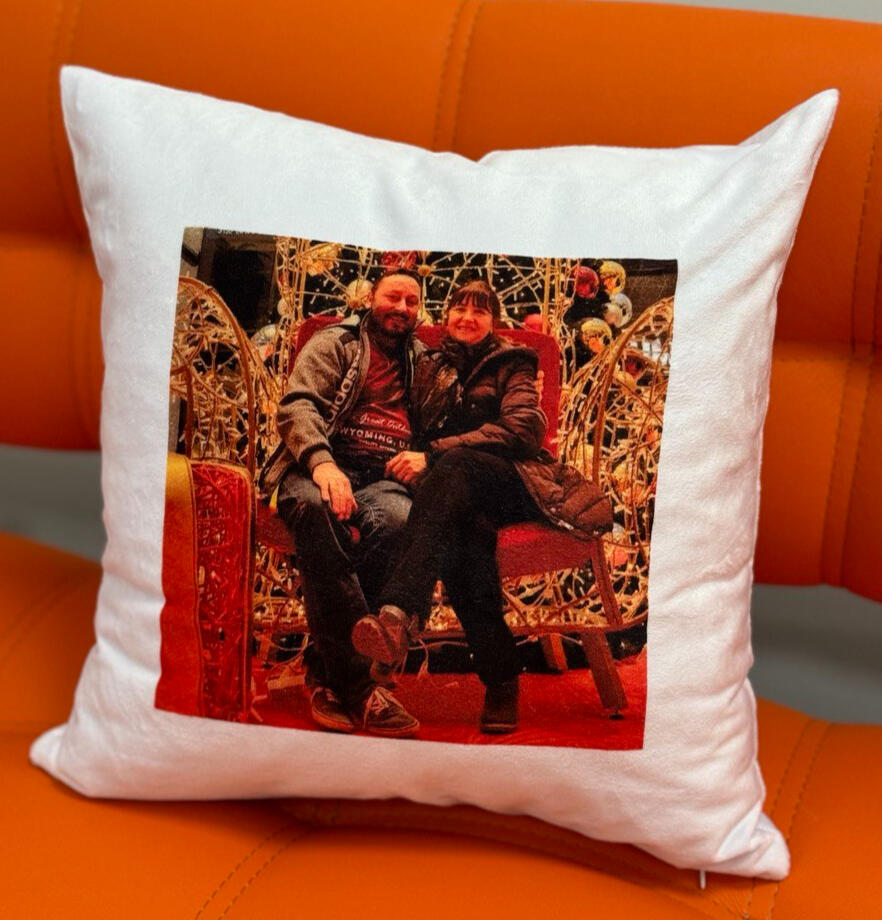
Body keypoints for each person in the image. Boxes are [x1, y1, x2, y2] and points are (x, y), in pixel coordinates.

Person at [351, 280, 614, 734]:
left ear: (494, 321)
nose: (468, 318)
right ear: (447, 316)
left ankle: (397, 611)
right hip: (450, 492)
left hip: (512, 481)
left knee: (456, 464)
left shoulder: (513, 361)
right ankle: (501, 677)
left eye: (480, 311)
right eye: (460, 309)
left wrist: (434, 454)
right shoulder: (430, 363)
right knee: (464, 538)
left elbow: (522, 430)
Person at [259, 268, 427, 738]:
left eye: (412, 301)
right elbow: (297, 406)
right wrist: (322, 464)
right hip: (315, 467)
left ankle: (323, 674)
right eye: (393, 297)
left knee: (399, 521)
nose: (401, 308)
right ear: (371, 298)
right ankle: (360, 686)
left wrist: (427, 458)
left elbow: (443, 421)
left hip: (383, 478)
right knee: (317, 510)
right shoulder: (336, 342)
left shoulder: (423, 361)